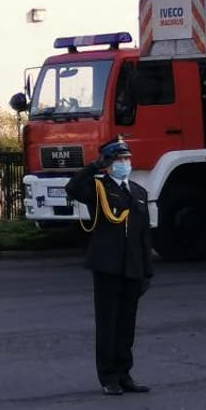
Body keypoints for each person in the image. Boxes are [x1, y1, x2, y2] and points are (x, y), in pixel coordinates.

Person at [65, 138, 154, 396]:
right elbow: (72, 188)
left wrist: (147, 271)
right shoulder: (98, 188)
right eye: (119, 159)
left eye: (127, 158)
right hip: (107, 266)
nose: (125, 163)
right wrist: (94, 167)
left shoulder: (138, 192)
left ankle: (125, 374)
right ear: (109, 163)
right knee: (108, 323)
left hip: (132, 266)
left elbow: (144, 235)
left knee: (127, 324)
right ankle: (108, 377)